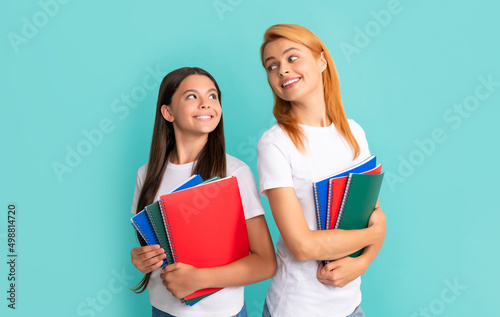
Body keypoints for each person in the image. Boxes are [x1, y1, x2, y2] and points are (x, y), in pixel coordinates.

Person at [257, 24, 387, 317]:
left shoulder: (353, 132)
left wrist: (362, 263)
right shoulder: (275, 143)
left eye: (292, 58)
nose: (282, 70)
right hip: (297, 308)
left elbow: (373, 215)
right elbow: (302, 245)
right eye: (272, 66)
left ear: (321, 60)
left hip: (350, 306)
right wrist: (374, 234)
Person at [130, 67, 277, 317]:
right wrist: (141, 259)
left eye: (212, 96)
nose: (206, 104)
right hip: (162, 311)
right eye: (191, 97)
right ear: (167, 112)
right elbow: (151, 248)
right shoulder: (146, 174)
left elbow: (265, 262)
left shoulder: (235, 172)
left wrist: (199, 279)